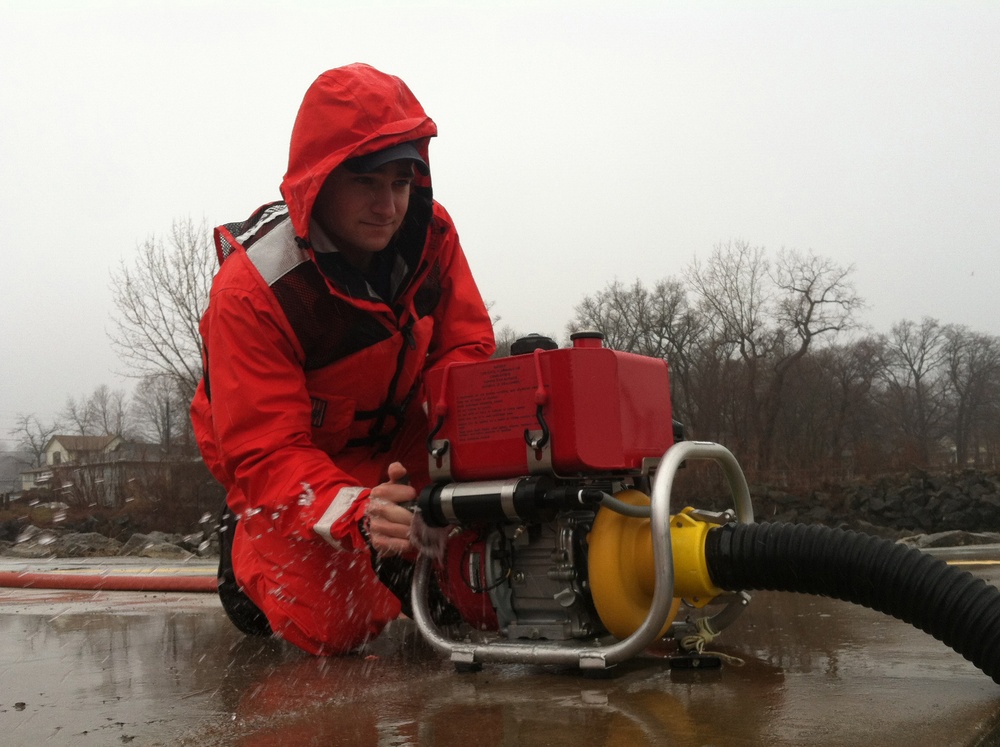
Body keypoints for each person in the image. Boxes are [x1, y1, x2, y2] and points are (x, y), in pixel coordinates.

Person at [190, 63, 496, 654]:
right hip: (295, 466)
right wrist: (358, 514)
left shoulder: (432, 236)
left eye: (403, 184)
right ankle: (246, 553)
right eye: (367, 182)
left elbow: (465, 349)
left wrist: (485, 435)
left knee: (484, 580)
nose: (388, 207)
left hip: (398, 446)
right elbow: (266, 450)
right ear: (319, 181)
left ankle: (418, 570)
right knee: (338, 624)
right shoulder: (253, 291)